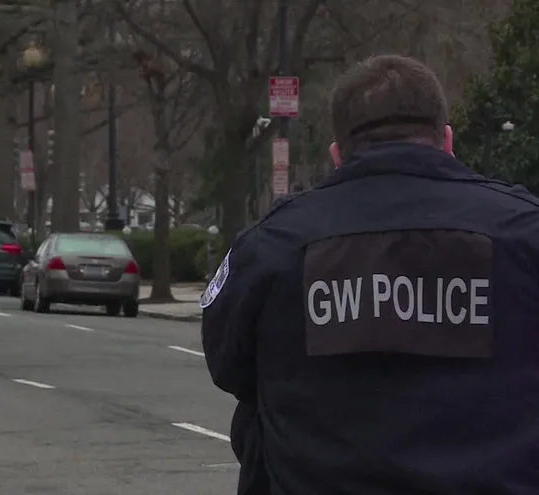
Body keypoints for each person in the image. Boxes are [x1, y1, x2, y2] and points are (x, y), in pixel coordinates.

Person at [201, 54, 539, 495]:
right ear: (448, 141)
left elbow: (228, 364)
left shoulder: (273, 247)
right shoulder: (524, 234)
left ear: (338, 154)